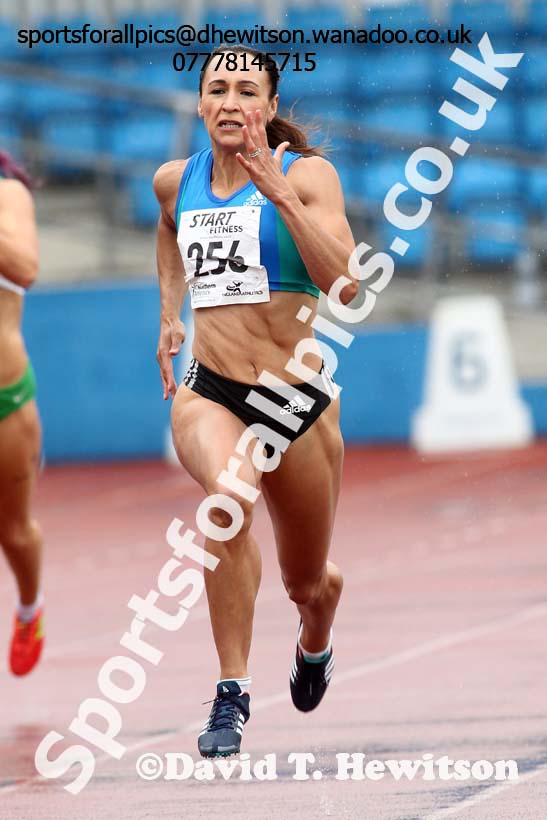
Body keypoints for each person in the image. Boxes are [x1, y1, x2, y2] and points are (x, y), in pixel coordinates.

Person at [154, 45, 357, 758]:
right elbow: (167, 230)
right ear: (200, 104)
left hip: (294, 402)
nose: (231, 101)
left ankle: (316, 633)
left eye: (247, 90)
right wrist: (169, 313)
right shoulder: (175, 181)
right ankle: (232, 691)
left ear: (269, 108)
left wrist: (281, 198)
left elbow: (347, 286)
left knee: (307, 582)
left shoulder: (308, 176)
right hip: (210, 389)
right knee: (228, 498)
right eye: (218, 88)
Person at [0, 150, 44, 676]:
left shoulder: (8, 195)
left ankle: (30, 608)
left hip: (5, 396)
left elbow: (25, 268)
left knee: (12, 532)